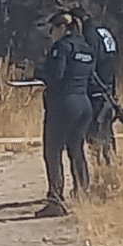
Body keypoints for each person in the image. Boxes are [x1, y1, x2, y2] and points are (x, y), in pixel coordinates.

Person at [35, 12, 96, 218]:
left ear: (62, 28)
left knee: (52, 151)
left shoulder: (61, 48)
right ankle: (83, 192)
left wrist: (40, 73)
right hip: (84, 104)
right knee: (76, 149)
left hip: (64, 104)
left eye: (52, 30)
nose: (51, 34)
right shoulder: (87, 48)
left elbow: (56, 76)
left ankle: (56, 200)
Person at [69, 6, 119, 165]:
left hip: (96, 91)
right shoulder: (104, 32)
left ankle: (102, 172)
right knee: (107, 134)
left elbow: (90, 63)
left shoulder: (89, 35)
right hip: (108, 89)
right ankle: (113, 170)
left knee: (96, 135)